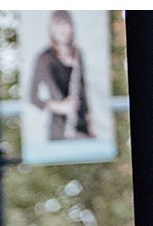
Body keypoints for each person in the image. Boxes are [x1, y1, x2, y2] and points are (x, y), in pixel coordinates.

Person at [27, 10, 93, 141]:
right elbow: (33, 97)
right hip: (60, 130)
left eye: (66, 24)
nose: (62, 29)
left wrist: (90, 123)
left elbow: (83, 92)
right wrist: (60, 107)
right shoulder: (44, 58)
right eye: (58, 24)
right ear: (52, 29)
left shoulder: (77, 53)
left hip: (82, 129)